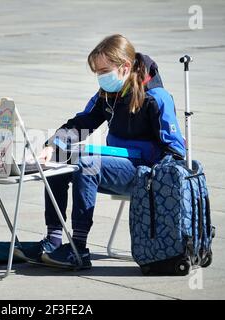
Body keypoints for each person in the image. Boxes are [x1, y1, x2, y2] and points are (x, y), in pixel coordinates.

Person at [14, 34, 186, 269]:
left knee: (87, 164)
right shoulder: (107, 95)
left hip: (145, 172)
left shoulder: (157, 98)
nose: (101, 77)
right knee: (58, 160)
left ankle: (79, 248)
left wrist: (155, 179)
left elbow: (175, 150)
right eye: (97, 72)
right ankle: (53, 240)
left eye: (104, 70)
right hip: (116, 162)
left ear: (125, 66)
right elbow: (82, 123)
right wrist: (51, 146)